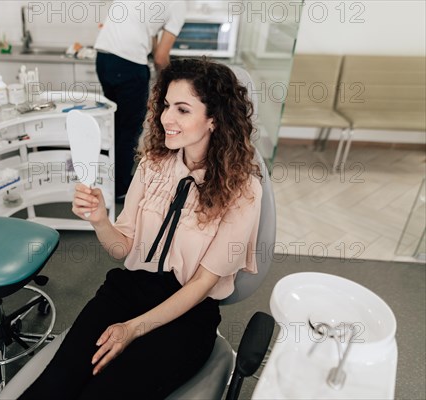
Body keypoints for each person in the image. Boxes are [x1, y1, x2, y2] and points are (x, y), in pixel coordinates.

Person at [20, 58, 263, 399]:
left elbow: (202, 284)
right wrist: (100, 220)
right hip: (128, 291)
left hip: (187, 314)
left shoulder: (244, 191)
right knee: (53, 387)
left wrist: (132, 329)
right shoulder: (152, 164)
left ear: (214, 119)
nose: (167, 119)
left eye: (182, 109)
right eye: (166, 106)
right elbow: (122, 250)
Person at [94, 1, 186, 199]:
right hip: (129, 63)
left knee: (115, 124)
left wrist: (153, 57)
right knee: (129, 129)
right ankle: (119, 188)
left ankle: (107, 181)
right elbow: (161, 57)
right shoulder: (179, 5)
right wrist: (170, 86)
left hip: (103, 59)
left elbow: (151, 36)